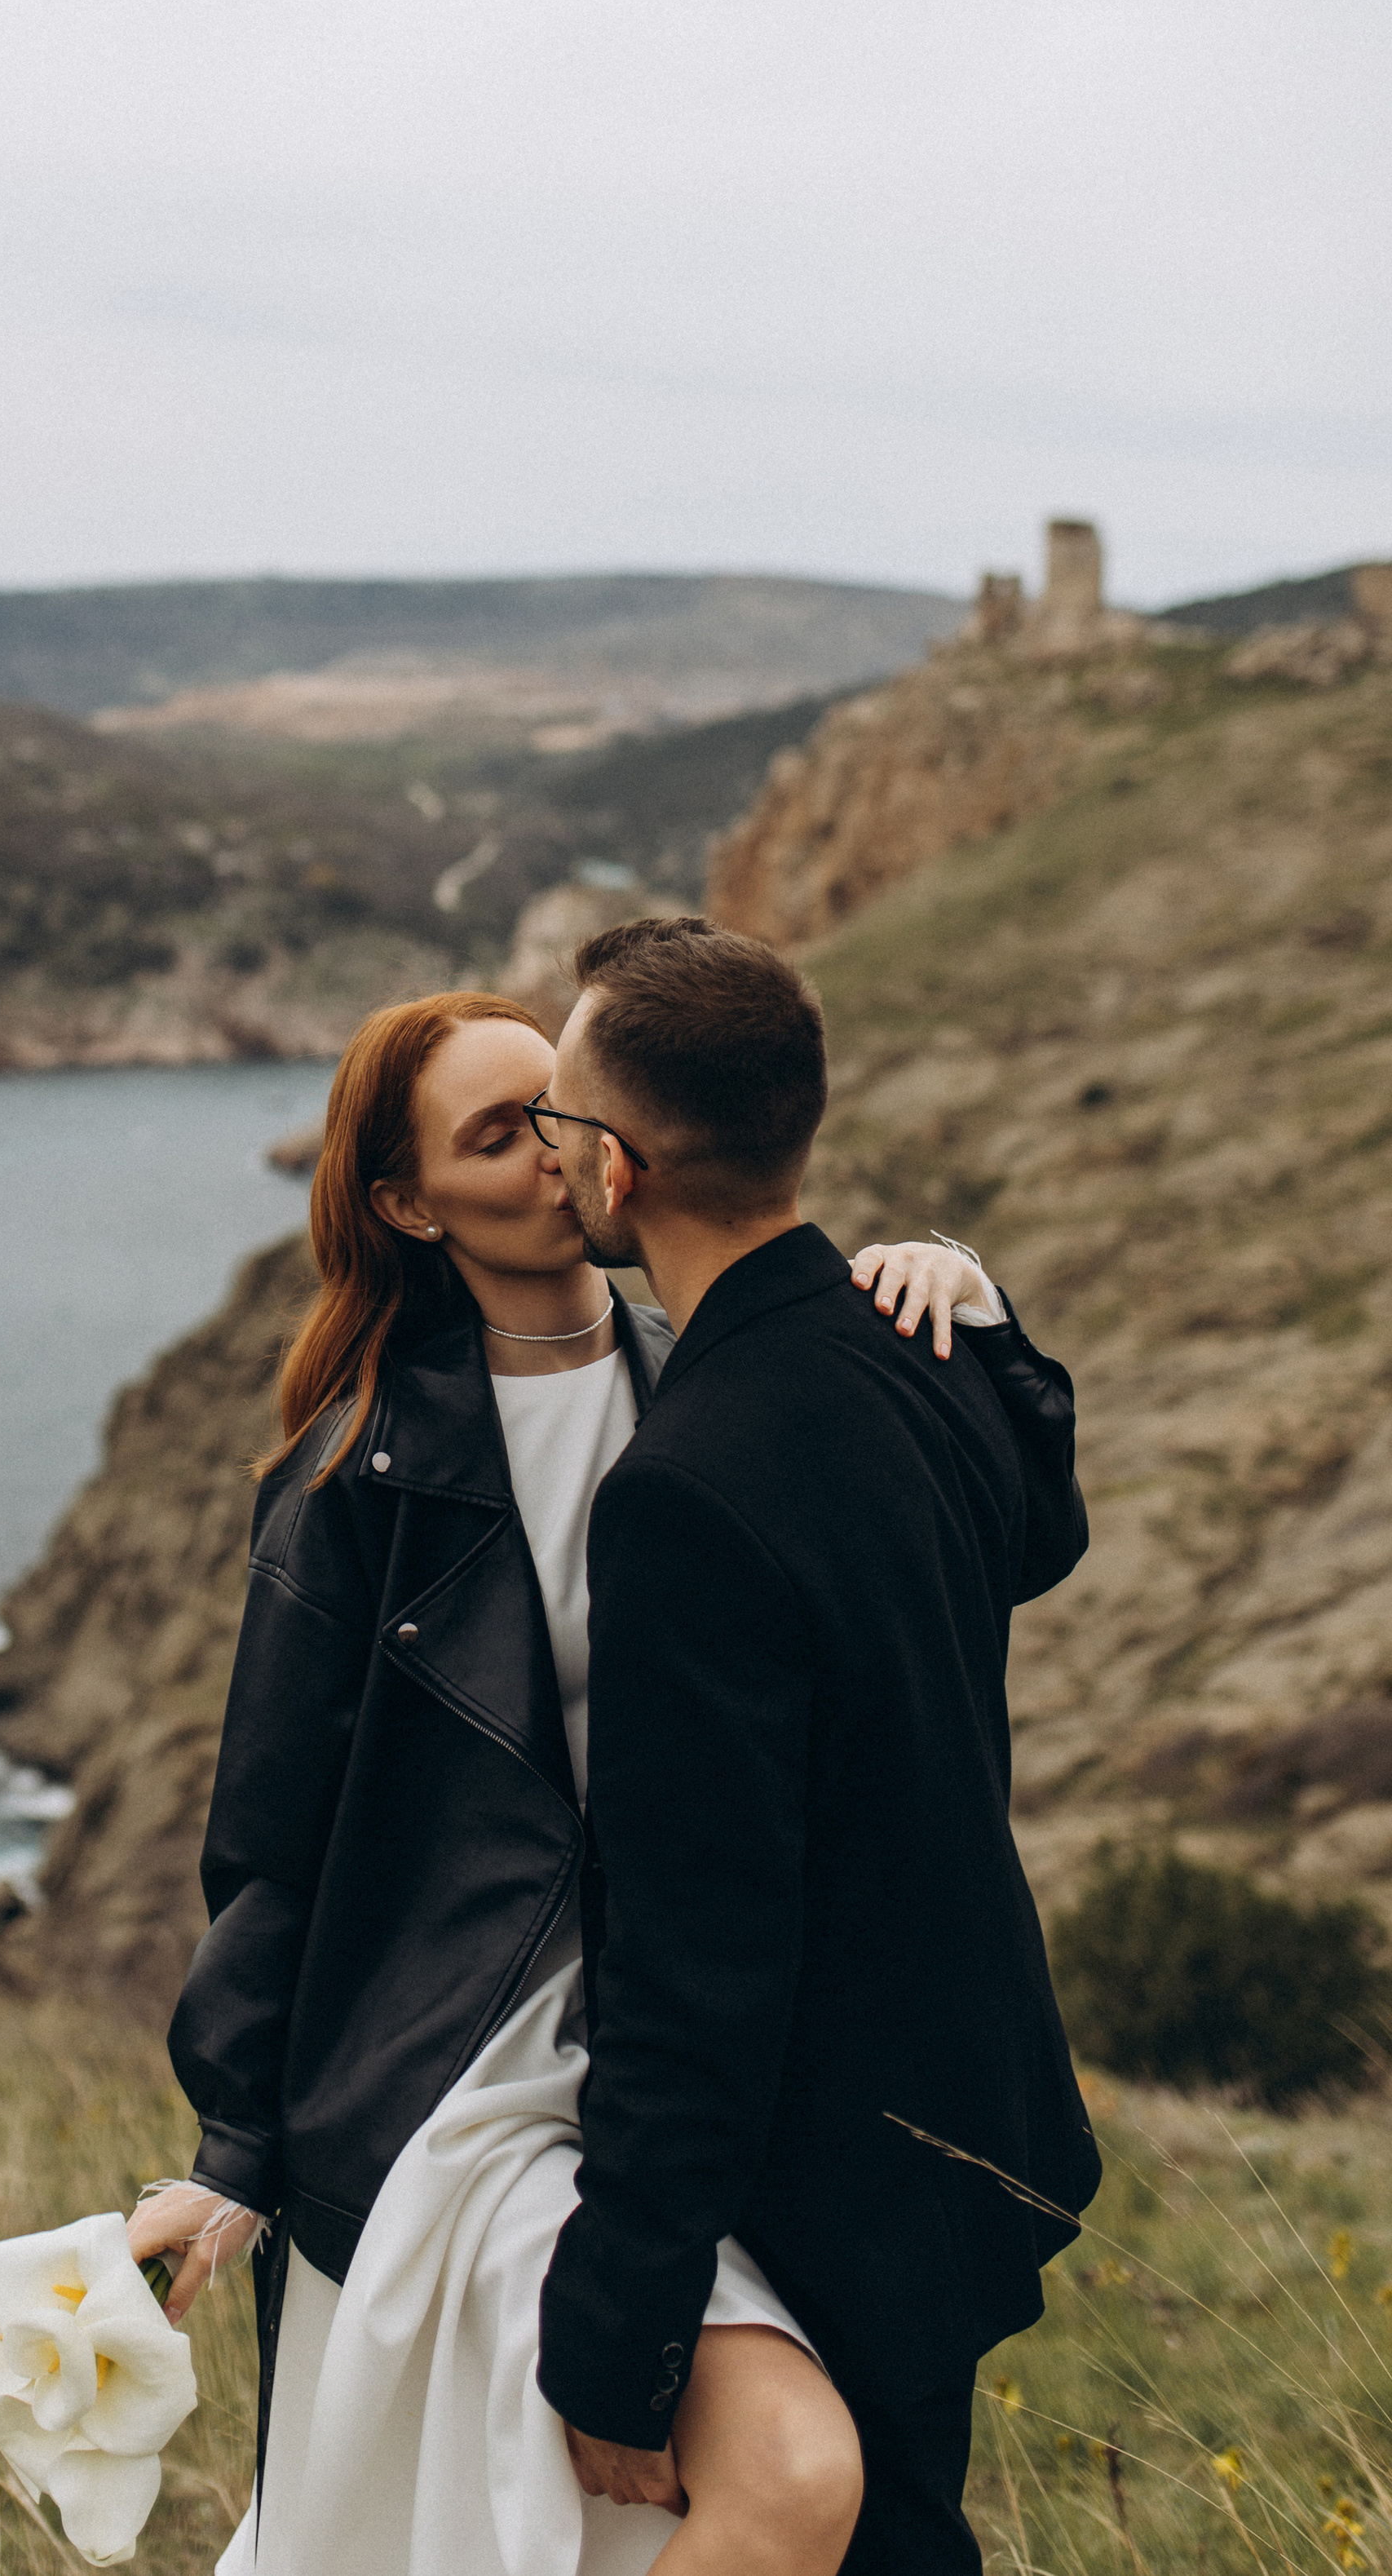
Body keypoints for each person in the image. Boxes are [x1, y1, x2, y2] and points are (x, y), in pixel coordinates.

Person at [130, 977, 1086, 2574]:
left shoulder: (716, 1387)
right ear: (405, 1203)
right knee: (755, 2483)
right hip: (477, 2071)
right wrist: (236, 2153)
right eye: (496, 1138)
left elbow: (994, 1537)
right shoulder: (352, 1486)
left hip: (709, 2066)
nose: (549, 1162)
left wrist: (961, 1308)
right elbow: (273, 1847)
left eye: (555, 1121)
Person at [533, 918, 1101, 2574]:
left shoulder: (685, 1489)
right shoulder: (917, 1358)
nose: (552, 1165)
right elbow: (1036, 1534)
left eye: (560, 1130)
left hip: (829, 2168)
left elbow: (699, 1946)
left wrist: (619, 2330)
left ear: (619, 1172)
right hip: (967, 2105)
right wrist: (985, 1318)